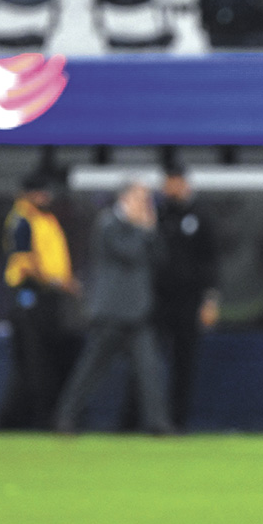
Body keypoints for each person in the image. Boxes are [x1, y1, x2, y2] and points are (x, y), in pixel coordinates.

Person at [55, 181, 172, 435]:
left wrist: (149, 230)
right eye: (140, 198)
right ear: (125, 197)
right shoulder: (108, 224)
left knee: (150, 370)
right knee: (90, 371)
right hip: (111, 313)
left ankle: (158, 424)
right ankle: (66, 417)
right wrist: (145, 229)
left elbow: (160, 259)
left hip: (138, 313)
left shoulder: (143, 228)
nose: (145, 204)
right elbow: (128, 252)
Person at [0, 172, 80, 430]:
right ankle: (23, 421)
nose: (46, 197)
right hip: (30, 298)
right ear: (28, 193)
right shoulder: (21, 219)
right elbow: (25, 264)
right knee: (34, 363)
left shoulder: (44, 218)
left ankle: (17, 421)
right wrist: (58, 282)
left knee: (39, 362)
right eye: (41, 192)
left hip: (48, 299)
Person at [144, 162, 219, 431]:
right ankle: (146, 419)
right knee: (148, 362)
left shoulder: (200, 215)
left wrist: (210, 300)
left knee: (184, 363)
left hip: (189, 301)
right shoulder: (156, 215)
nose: (172, 187)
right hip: (158, 301)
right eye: (168, 182)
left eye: (176, 181)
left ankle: (177, 421)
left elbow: (211, 262)